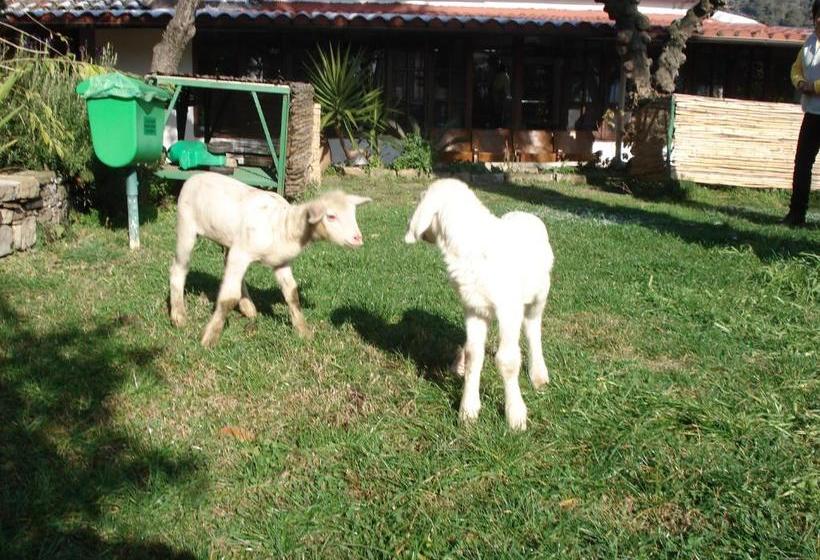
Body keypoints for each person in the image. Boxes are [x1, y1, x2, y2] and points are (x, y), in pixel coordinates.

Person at [786, 0, 820, 227]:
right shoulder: (809, 43)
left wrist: (815, 87)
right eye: (818, 15)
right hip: (812, 113)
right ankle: (796, 214)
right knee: (802, 164)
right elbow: (796, 69)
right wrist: (799, 82)